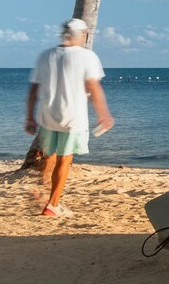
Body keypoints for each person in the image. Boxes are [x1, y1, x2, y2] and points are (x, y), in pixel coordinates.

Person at [24, 18, 114, 218]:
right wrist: (104, 114)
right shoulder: (86, 56)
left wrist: (29, 117)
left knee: (49, 156)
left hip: (47, 116)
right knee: (64, 160)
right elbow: (93, 87)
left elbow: (33, 90)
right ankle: (53, 205)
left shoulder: (46, 55)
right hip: (72, 118)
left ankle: (46, 192)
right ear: (81, 35)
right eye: (84, 34)